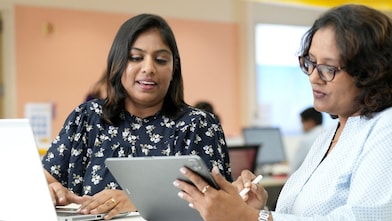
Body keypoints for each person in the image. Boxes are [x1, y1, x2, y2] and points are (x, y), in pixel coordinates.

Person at [173, 4, 392, 221]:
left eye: (328, 68)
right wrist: (257, 209)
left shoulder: (385, 128)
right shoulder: (329, 136)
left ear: (369, 73)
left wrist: (249, 217)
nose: (313, 77)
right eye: (310, 63)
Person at [42, 13, 232, 220]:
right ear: (118, 62)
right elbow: (42, 181)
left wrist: (137, 202)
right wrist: (51, 190)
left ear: (174, 67)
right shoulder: (86, 118)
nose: (149, 68)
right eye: (136, 58)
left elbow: (217, 205)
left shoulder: (198, 126)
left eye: (160, 60)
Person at [289, 107, 323, 173]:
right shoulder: (330, 134)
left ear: (310, 122)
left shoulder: (306, 139)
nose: (302, 127)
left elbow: (295, 166)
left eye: (302, 123)